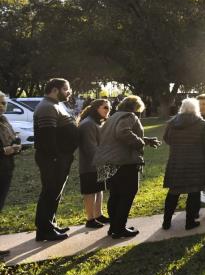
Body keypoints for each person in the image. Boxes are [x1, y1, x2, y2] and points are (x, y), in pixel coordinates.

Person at [94, 96, 160, 238]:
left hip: (108, 161)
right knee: (127, 194)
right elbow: (122, 132)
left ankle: (114, 227)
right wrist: (140, 143)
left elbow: (116, 136)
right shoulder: (129, 116)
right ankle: (120, 228)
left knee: (115, 195)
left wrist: (145, 140)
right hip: (124, 162)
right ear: (136, 107)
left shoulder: (112, 117)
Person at [33, 78, 80, 241]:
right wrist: (55, 157)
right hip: (52, 159)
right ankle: (44, 230)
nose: (69, 92)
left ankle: (50, 224)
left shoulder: (55, 105)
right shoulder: (47, 107)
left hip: (60, 158)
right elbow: (47, 138)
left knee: (55, 193)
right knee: (50, 192)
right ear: (55, 89)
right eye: (67, 89)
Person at [162, 98, 205, 230]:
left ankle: (166, 221)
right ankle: (190, 222)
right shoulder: (204, 125)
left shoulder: (172, 123)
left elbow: (167, 138)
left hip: (176, 162)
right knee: (194, 192)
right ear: (196, 109)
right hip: (197, 163)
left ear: (182, 108)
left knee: (173, 192)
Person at [77, 99, 111, 228]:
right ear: (96, 108)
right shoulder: (88, 124)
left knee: (99, 190)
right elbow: (90, 148)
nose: (108, 110)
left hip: (99, 164)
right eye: (105, 107)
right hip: (89, 166)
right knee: (90, 191)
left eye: (109, 108)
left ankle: (98, 215)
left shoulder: (96, 123)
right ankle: (90, 219)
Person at [0, 91, 23, 256]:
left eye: (3, 103)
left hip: (5, 168)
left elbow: (10, 138)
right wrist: (3, 150)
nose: (2, 106)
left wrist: (16, 145)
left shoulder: (4, 120)